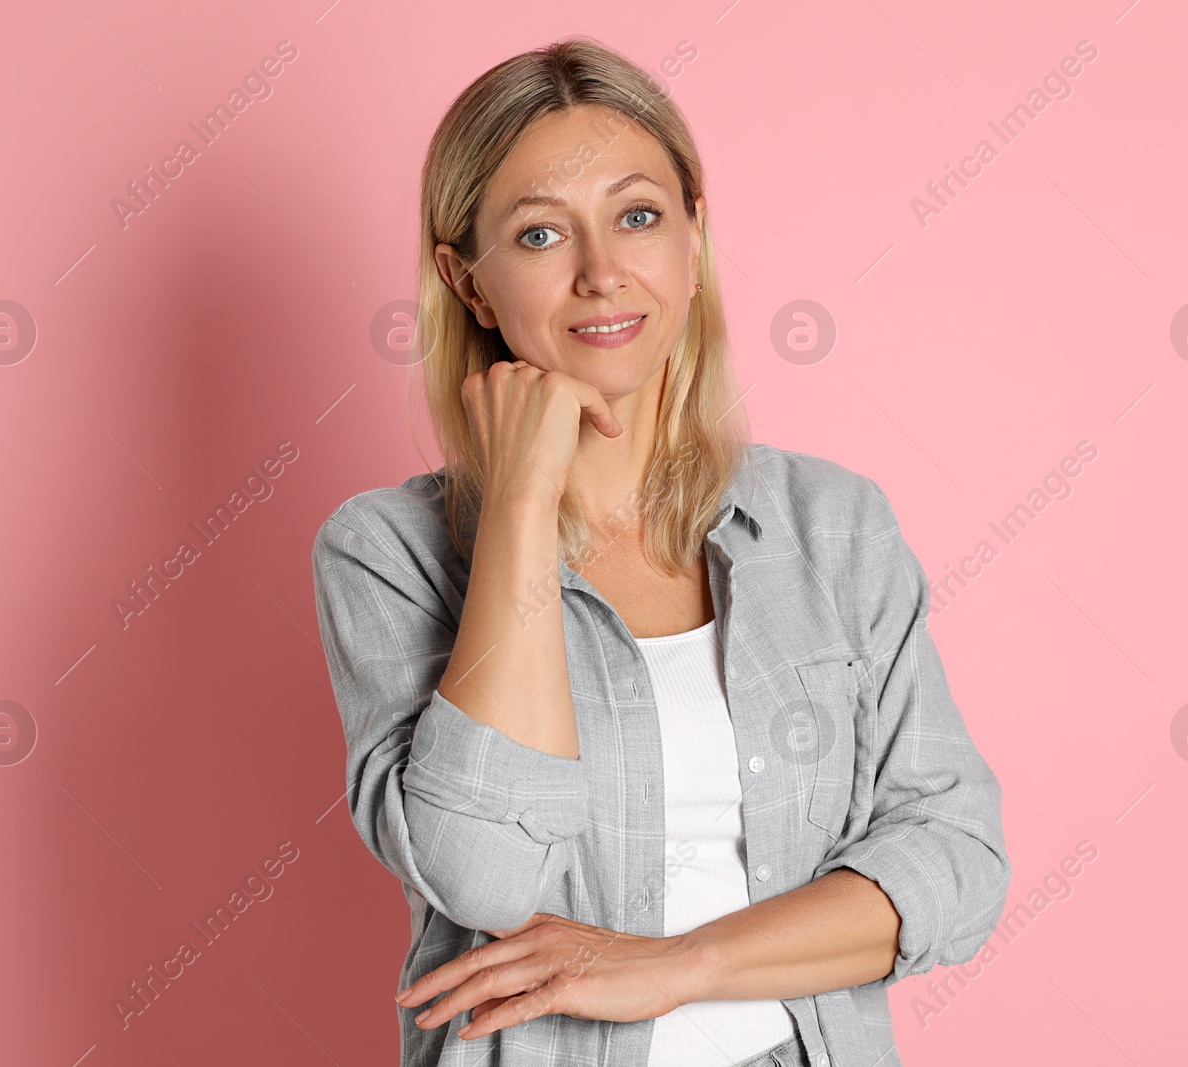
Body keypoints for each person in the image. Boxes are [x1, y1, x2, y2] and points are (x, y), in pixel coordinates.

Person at [312, 35, 1009, 1067]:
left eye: (638, 216)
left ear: (692, 236)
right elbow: (487, 875)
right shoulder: (385, 552)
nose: (603, 273)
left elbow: (954, 863)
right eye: (542, 234)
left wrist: (674, 962)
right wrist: (516, 505)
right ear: (468, 281)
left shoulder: (835, 524)